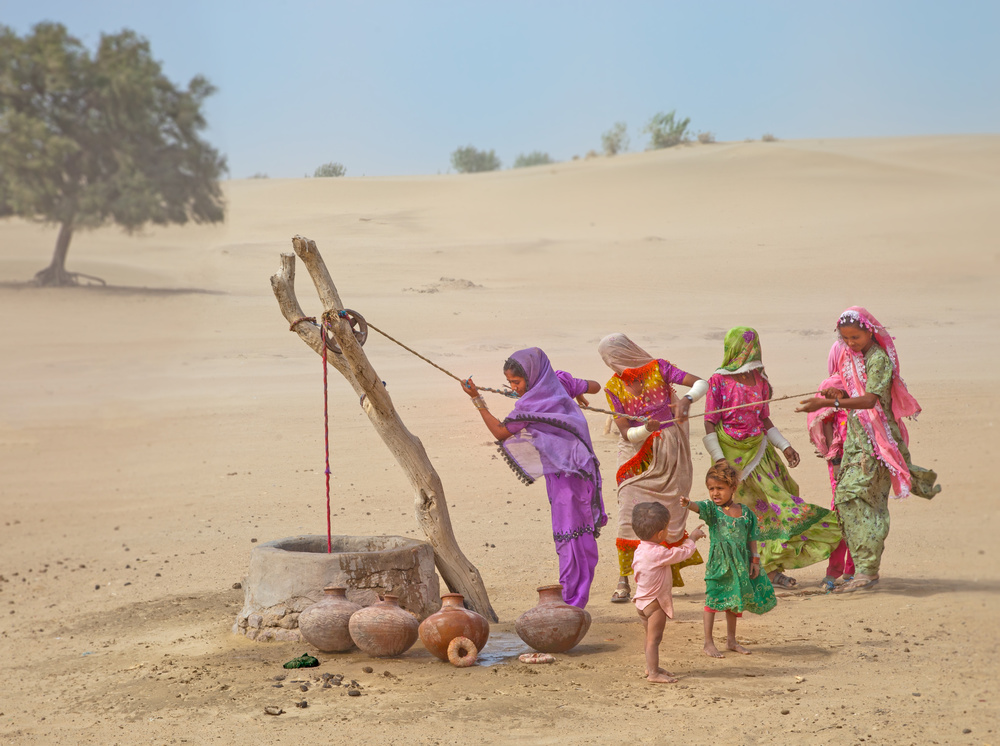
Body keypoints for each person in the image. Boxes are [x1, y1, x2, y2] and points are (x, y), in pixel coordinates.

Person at [796, 307, 941, 592]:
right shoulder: (852, 358)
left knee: (865, 501)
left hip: (878, 438)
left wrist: (828, 404)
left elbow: (871, 400)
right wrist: (839, 395)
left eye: (856, 337)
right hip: (856, 438)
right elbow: (856, 393)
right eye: (846, 338)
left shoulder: (878, 360)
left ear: (869, 332)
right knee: (848, 499)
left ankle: (866, 571)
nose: (850, 343)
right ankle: (863, 569)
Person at [461, 347, 607, 608]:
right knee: (579, 534)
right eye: (510, 383)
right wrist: (578, 392)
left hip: (568, 478)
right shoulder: (559, 381)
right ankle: (574, 593)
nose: (515, 388)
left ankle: (572, 599)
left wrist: (477, 400)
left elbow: (500, 431)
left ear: (532, 376)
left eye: (517, 382)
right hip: (581, 470)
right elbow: (595, 386)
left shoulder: (529, 406)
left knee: (570, 536)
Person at [701, 327, 842, 589]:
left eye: (752, 347)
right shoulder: (718, 382)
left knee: (778, 508)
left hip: (762, 456)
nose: (749, 353)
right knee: (741, 516)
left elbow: (763, 419)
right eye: (744, 348)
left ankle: (771, 569)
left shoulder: (760, 381)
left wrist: (785, 446)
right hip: (731, 463)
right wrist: (720, 461)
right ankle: (749, 573)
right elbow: (710, 423)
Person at [598, 333, 709, 604]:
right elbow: (625, 432)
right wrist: (645, 429)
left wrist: (687, 400)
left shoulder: (660, 369)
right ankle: (624, 578)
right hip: (637, 456)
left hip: (670, 450)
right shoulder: (613, 387)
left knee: (670, 511)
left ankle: (659, 575)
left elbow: (701, 382)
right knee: (628, 513)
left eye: (614, 358)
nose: (612, 364)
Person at [680, 462, 776, 658]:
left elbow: (752, 537)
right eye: (711, 489)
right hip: (719, 564)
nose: (715, 493)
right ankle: (708, 643)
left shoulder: (746, 513)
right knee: (712, 600)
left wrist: (755, 560)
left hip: (740, 565)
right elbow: (698, 507)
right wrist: (688, 503)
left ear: (733, 488)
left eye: (720, 488)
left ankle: (731, 641)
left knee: (734, 601)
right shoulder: (712, 511)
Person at [631, 501, 705, 683]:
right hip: (654, 605)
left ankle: (651, 667)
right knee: (654, 640)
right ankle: (654, 674)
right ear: (660, 533)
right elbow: (682, 553)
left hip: (641, 602)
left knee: (649, 638)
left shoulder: (640, 549)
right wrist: (692, 538)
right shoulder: (658, 553)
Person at [805, 340, 855, 591]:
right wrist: (834, 458)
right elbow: (824, 421)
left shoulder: (864, 385)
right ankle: (836, 570)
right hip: (842, 461)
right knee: (843, 514)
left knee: (862, 513)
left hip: (865, 459)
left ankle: (853, 570)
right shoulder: (832, 385)